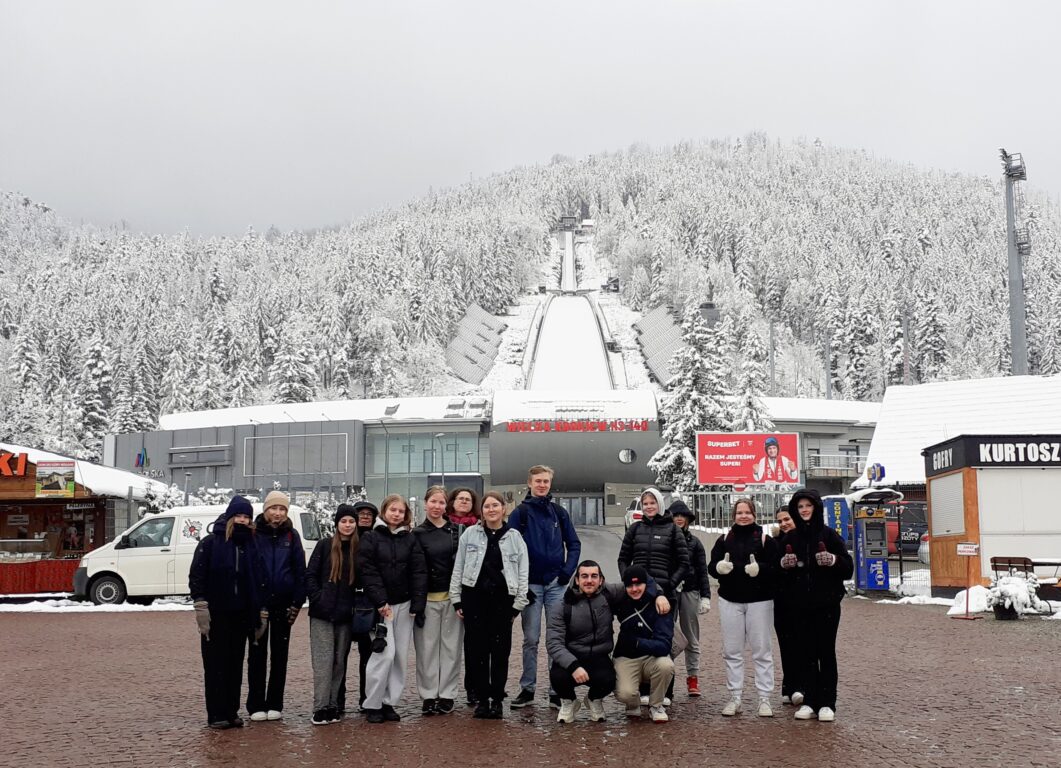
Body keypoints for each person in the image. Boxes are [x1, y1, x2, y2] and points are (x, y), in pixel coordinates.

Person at [189, 496, 267, 730]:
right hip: (217, 613)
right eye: (239, 516)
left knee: (235, 664)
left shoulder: (252, 544)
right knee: (215, 665)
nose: (243, 520)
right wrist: (201, 605)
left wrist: (261, 612)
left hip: (243, 613)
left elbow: (260, 580)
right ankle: (216, 713)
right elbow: (197, 576)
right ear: (230, 516)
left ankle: (231, 711)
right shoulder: (210, 543)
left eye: (247, 517)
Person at [450, 491, 530, 719]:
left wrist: (518, 604)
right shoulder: (470, 536)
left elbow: (523, 572)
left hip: (503, 601)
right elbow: (459, 567)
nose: (491, 510)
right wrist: (456, 598)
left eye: (496, 505)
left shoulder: (515, 537)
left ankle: (497, 699)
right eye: (487, 506)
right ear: (482, 510)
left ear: (503, 509)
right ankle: (482, 699)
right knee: (477, 652)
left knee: (500, 652)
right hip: (474, 598)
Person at [507, 465, 581, 709]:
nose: (542, 485)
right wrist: (520, 584)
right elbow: (510, 553)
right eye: (538, 481)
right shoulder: (520, 514)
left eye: (546, 481)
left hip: (556, 585)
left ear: (550, 484)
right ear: (529, 483)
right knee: (530, 639)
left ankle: (555, 690)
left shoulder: (559, 513)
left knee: (556, 639)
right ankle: (527, 689)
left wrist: (566, 573)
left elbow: (574, 544)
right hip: (530, 586)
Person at [778, 488, 854, 723]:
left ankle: (827, 702)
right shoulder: (790, 539)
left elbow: (848, 568)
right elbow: (779, 575)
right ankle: (810, 701)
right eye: (800, 507)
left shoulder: (830, 535)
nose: (804, 510)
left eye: (808, 506)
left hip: (827, 605)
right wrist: (784, 564)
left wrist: (833, 560)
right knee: (805, 653)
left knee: (826, 652)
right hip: (800, 606)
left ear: (816, 508)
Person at [359, 494, 427, 724]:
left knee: (399, 657)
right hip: (382, 608)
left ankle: (389, 702)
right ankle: (372, 703)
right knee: (382, 656)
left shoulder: (410, 539)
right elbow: (367, 570)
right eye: (393, 510)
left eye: (401, 511)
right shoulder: (370, 538)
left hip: (405, 604)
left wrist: (418, 602)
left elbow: (418, 571)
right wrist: (380, 601)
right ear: (384, 511)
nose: (396, 514)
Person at [708, 497, 779, 718]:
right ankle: (735, 696)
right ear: (734, 516)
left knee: (762, 650)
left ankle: (764, 698)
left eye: (747, 512)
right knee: (732, 651)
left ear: (754, 515)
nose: (743, 516)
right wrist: (719, 567)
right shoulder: (723, 539)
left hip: (760, 601)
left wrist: (762, 569)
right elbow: (712, 567)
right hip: (730, 600)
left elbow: (777, 568)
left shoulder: (766, 539)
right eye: (739, 513)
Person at [247, 490, 306, 722]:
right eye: (274, 508)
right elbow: (249, 570)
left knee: (280, 656)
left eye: (282, 509)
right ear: (265, 509)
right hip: (258, 605)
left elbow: (300, 571)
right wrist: (253, 602)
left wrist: (297, 602)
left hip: (283, 604)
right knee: (256, 655)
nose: (278, 513)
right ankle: (255, 704)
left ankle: (275, 703)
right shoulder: (253, 534)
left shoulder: (291, 536)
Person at [545, 560, 621, 724]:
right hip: (572, 656)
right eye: (584, 576)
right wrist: (573, 666)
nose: (589, 580)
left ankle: (593, 699)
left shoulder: (609, 594)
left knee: (609, 679)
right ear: (577, 580)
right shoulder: (562, 605)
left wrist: (659, 596)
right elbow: (553, 643)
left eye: (594, 576)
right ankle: (569, 701)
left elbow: (639, 582)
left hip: (599, 656)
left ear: (601, 580)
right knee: (557, 677)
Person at [305, 506, 359, 726]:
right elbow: (310, 575)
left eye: (351, 521)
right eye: (344, 521)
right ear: (337, 523)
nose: (348, 525)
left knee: (339, 662)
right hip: (322, 614)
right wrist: (318, 598)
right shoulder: (325, 545)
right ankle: (320, 706)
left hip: (346, 615)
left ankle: (333, 705)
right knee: (323, 662)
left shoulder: (359, 549)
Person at [413, 486, 463, 716]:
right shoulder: (416, 533)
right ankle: (428, 694)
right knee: (426, 650)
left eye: (441, 503)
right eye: (433, 501)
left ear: (447, 506)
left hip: (452, 599)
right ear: (425, 503)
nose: (437, 506)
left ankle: (447, 694)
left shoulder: (457, 531)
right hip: (426, 600)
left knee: (451, 648)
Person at [612, 565, 675, 723]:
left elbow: (664, 646)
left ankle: (656, 705)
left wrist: (637, 643)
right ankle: (633, 703)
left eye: (638, 584)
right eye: (630, 585)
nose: (634, 589)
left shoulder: (660, 604)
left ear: (646, 584)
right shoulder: (620, 599)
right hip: (626, 658)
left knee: (666, 665)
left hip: (651, 659)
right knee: (625, 693)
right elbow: (597, 588)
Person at [666, 500, 711, 697]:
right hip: (669, 592)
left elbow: (702, 571)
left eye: (682, 516)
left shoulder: (695, 543)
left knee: (691, 636)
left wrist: (706, 596)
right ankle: (666, 677)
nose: (679, 519)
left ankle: (693, 677)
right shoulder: (665, 539)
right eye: (676, 516)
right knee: (667, 634)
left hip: (690, 592)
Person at [617, 487, 690, 604]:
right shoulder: (634, 529)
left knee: (663, 622)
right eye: (645, 503)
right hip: (638, 592)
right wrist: (628, 580)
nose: (649, 506)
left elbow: (684, 563)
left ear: (660, 504)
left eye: (652, 502)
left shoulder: (673, 530)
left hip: (665, 593)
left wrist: (670, 584)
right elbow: (623, 559)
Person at [446, 486, 481, 706]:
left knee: (473, 643)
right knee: (447, 644)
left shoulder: (479, 527)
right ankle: (443, 690)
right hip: (443, 589)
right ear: (452, 501)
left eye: (468, 499)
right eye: (460, 498)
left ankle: (474, 687)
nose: (464, 502)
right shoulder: (442, 526)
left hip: (471, 591)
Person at [772, 505, 802, 706]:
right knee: (786, 644)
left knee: (803, 644)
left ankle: (801, 686)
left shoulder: (805, 539)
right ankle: (789, 685)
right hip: (782, 601)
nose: (783, 524)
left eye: (787, 519)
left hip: (804, 600)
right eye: (780, 520)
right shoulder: (775, 543)